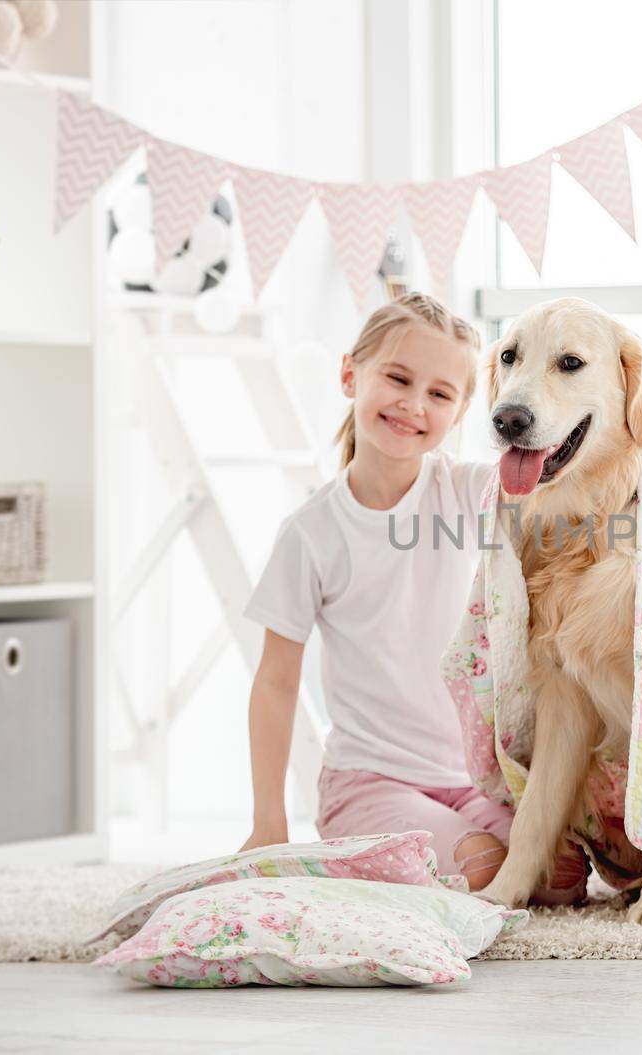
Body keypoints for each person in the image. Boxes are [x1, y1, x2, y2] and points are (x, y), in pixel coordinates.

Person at [239, 292, 584, 901]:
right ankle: (357, 848)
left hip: (472, 779)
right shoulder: (312, 532)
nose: (413, 404)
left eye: (440, 394)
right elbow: (274, 683)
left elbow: (565, 486)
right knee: (486, 870)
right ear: (350, 374)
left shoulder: (468, 493)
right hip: (370, 782)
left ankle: (435, 851)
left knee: (562, 878)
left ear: (460, 413)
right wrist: (269, 822)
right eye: (397, 378)